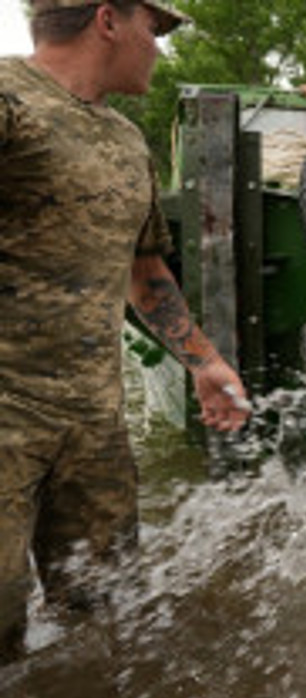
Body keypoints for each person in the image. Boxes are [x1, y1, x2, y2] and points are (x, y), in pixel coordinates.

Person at [0, 0, 250, 662]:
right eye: (155, 28)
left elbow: (144, 270)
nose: (159, 47)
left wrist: (204, 360)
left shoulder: (126, 141)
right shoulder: (7, 100)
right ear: (107, 19)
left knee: (105, 614)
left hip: (93, 424)